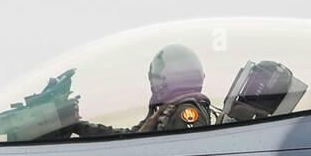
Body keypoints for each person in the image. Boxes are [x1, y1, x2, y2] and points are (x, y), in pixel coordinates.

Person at [69, 43, 212, 138]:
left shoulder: (184, 112)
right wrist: (78, 126)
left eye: (157, 79)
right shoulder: (164, 112)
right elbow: (130, 137)